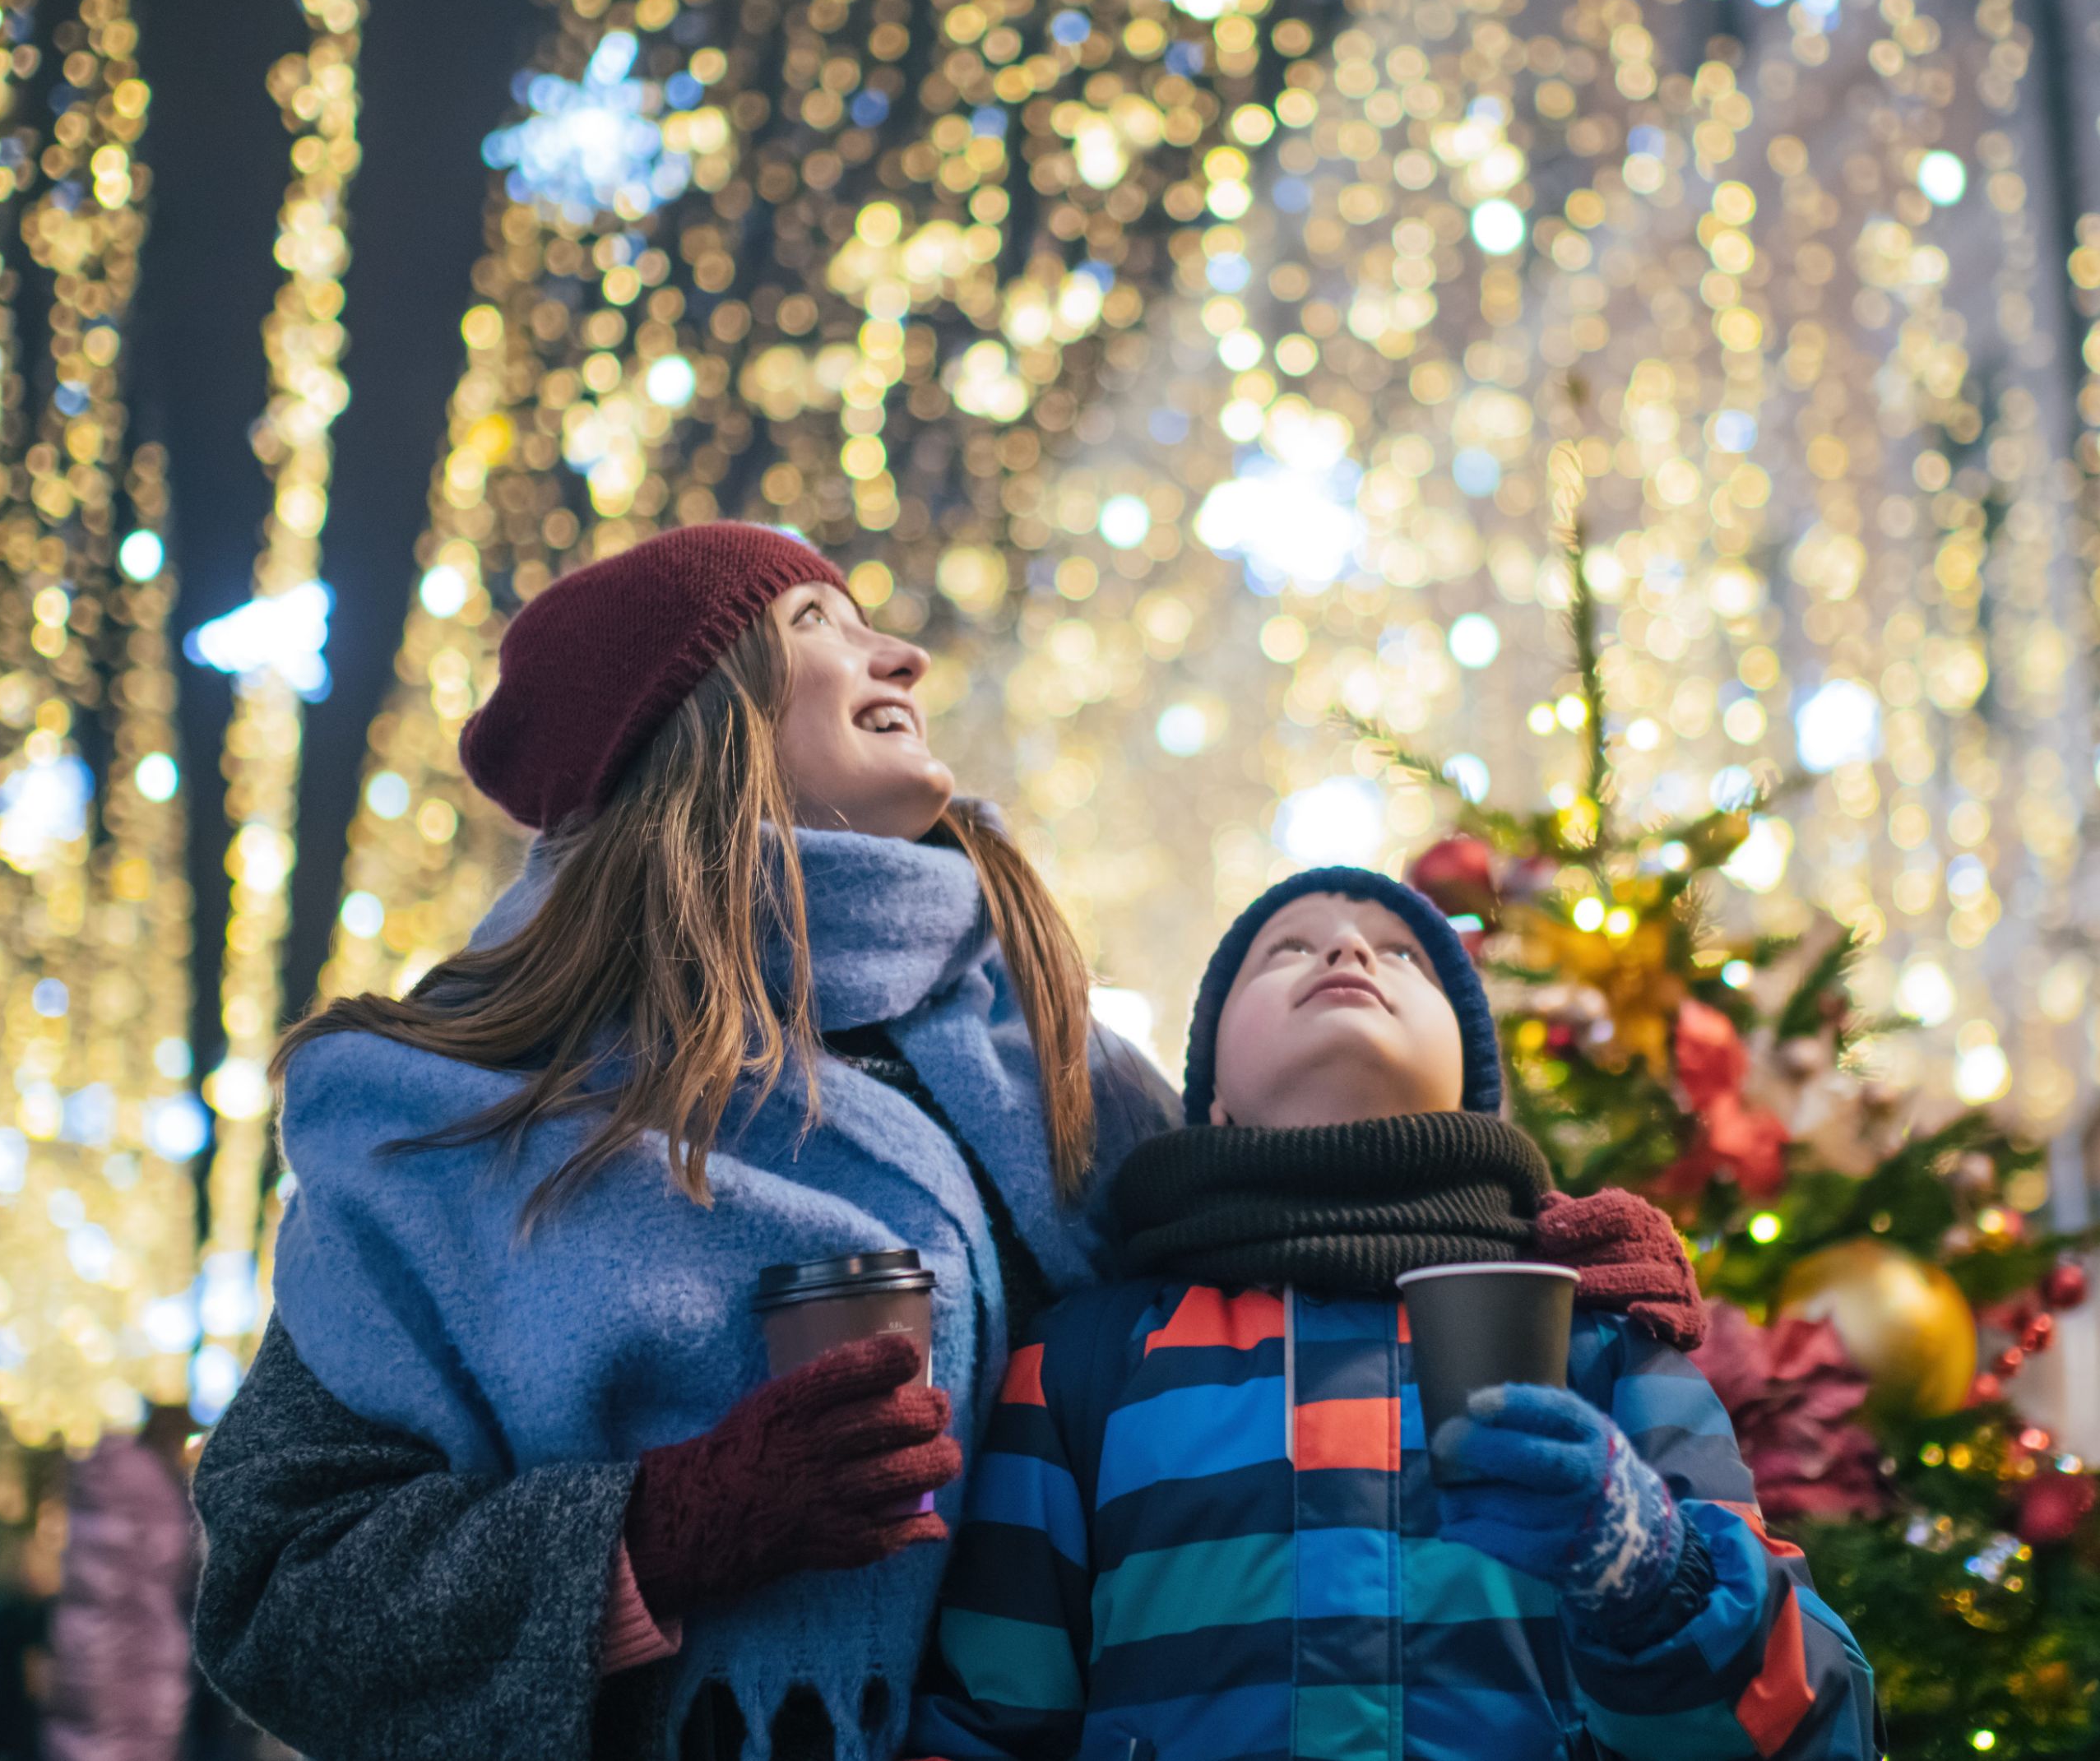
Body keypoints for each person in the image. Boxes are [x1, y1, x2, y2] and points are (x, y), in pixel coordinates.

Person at [188, 524, 1694, 1761]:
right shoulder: (464, 1117)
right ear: (683, 710)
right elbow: (278, 1594)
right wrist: (651, 1535)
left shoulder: (1056, 1070)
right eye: (817, 621)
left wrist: (1527, 1239)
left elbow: (1287, 1260)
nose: (898, 654)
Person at [906, 869, 1880, 1761]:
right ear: (1211, 1100)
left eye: (1404, 955)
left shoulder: (1601, 1340)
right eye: (1289, 947)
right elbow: (988, 1722)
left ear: (1472, 1090)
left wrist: (1649, 1570)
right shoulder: (1085, 1359)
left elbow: (1811, 1724)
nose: (1348, 952)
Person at [45, 1405, 200, 1761]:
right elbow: (170, 1561)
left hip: (93, 1645)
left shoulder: (105, 1483)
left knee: (92, 1734)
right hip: (132, 1645)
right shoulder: (151, 1492)